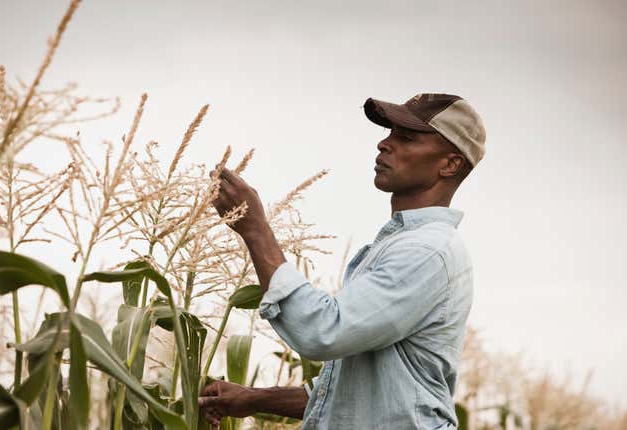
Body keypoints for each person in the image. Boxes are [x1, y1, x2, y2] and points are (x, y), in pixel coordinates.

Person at [199, 93, 486, 429]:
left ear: (449, 164)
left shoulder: (426, 252)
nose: (384, 144)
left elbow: (322, 332)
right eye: (389, 133)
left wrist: (257, 231)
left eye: (405, 138)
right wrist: (251, 399)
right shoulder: (405, 244)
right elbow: (354, 396)